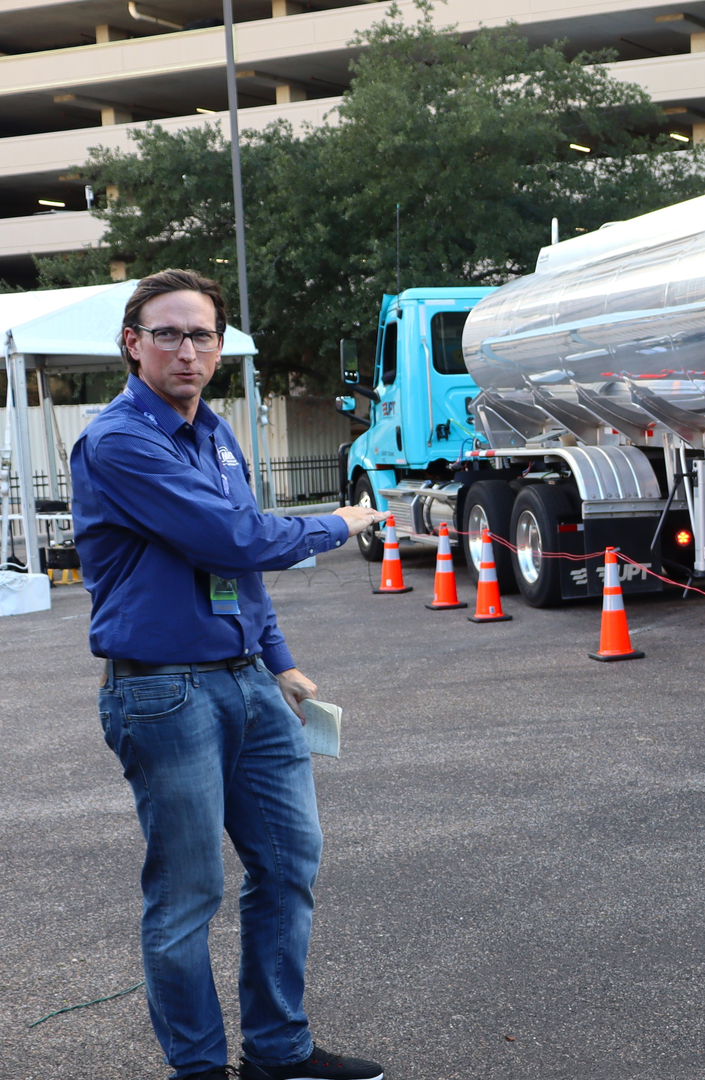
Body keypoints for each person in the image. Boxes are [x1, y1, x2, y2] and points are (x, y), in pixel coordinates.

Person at [69, 269, 388, 1080]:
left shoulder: (213, 433)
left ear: (219, 347)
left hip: (247, 680)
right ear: (132, 344)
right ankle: (201, 1070)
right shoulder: (121, 442)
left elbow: (233, 573)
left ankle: (278, 1054)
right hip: (164, 690)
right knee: (187, 896)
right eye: (169, 333)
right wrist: (343, 521)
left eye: (203, 334)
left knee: (288, 868)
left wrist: (280, 661)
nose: (188, 349)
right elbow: (239, 539)